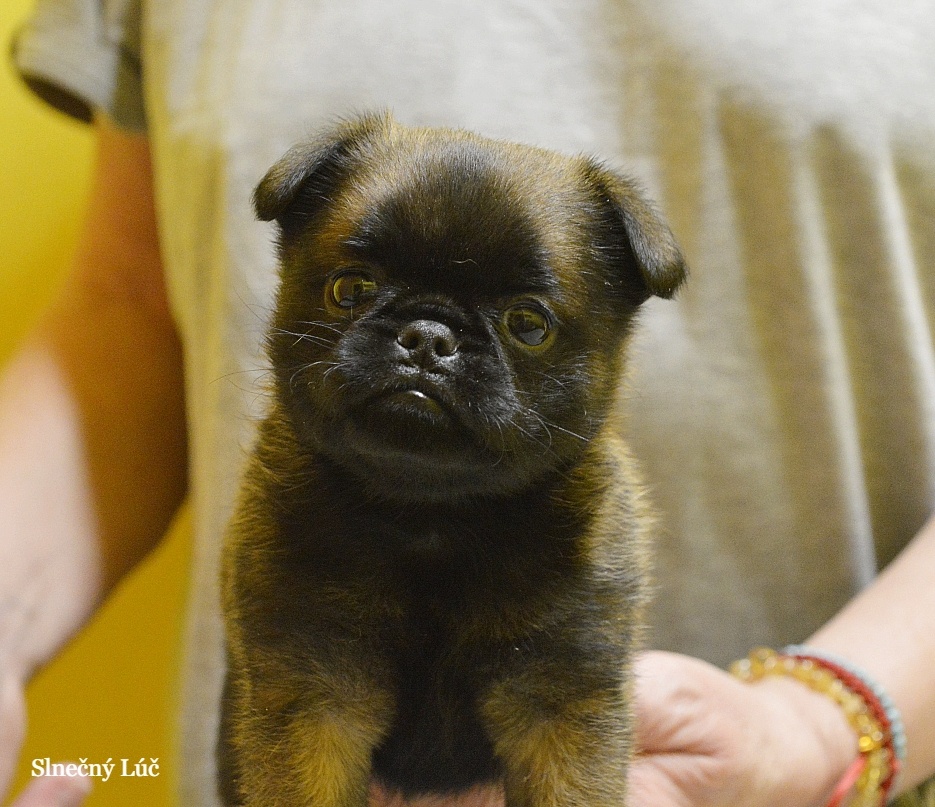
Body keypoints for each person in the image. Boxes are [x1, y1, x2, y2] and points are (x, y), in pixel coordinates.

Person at [3, 0, 935, 805]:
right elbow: (127, 305)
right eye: (353, 293)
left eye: (525, 322)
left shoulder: (590, 544)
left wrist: (815, 727)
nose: (426, 345)